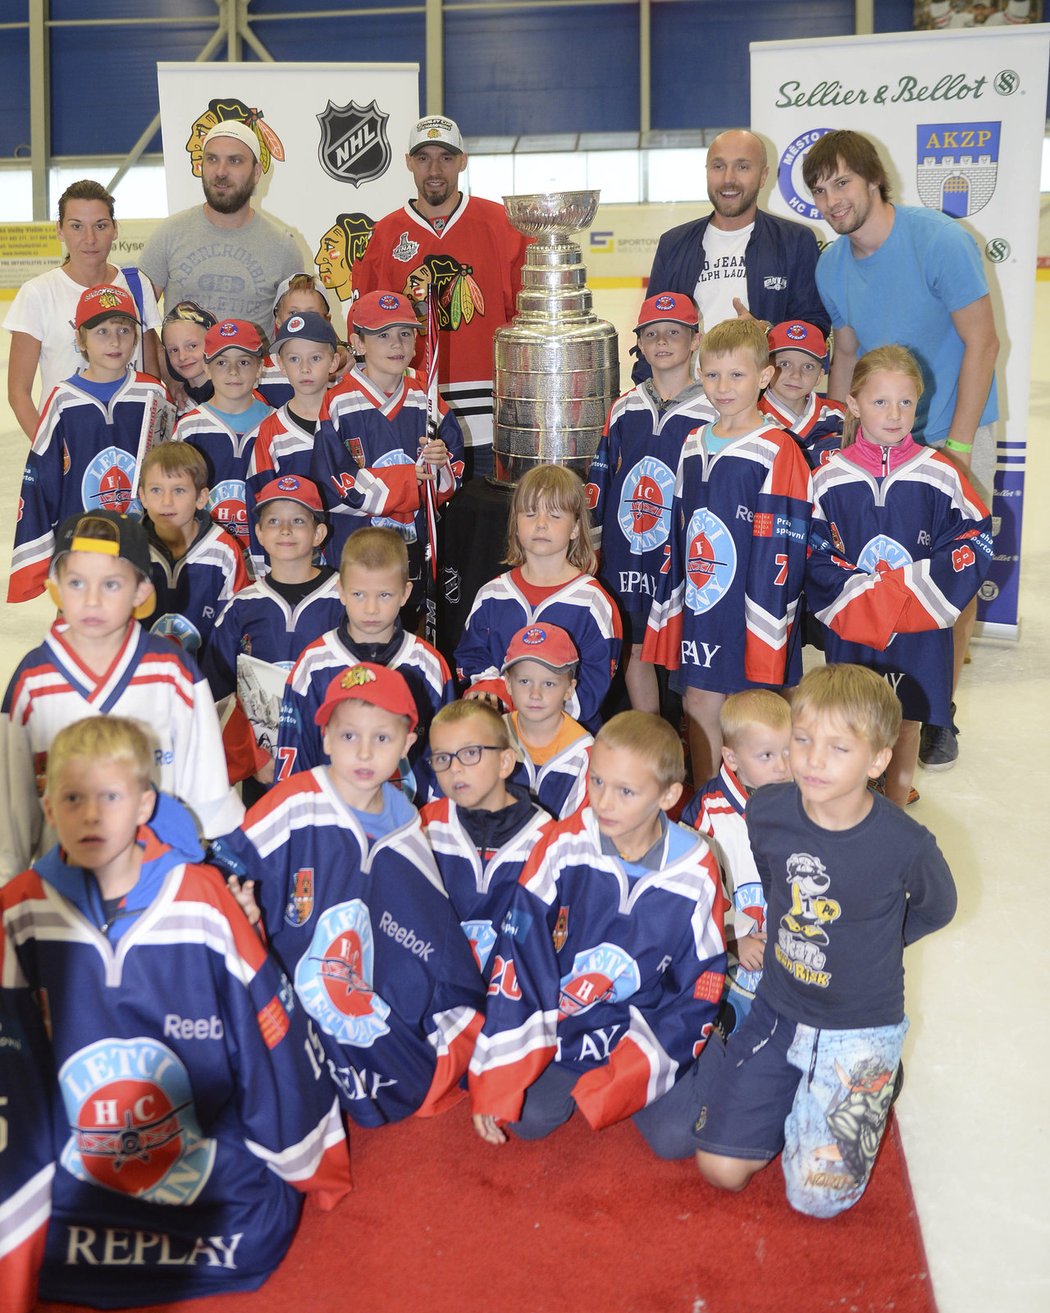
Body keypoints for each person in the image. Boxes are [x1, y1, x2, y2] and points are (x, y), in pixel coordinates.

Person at [0, 716, 351, 1309]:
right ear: (48, 804)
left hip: (193, 1145)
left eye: (109, 798)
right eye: (73, 798)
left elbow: (267, 1031)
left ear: (143, 804)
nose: (90, 816)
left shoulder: (200, 896)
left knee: (256, 1224)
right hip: (75, 1155)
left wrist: (312, 1161)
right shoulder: (20, 910)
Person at [692, 664, 957, 1218]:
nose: (812, 760)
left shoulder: (904, 843)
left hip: (859, 1027)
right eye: (803, 740)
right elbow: (771, 880)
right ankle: (797, 1089)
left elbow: (939, 906)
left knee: (816, 1199)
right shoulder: (766, 809)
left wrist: (883, 944)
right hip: (779, 1006)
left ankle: (874, 1076)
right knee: (720, 1171)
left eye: (839, 748)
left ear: (878, 760)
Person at [801, 129, 999, 770]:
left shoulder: (939, 241)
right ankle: (875, 696)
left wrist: (959, 446)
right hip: (874, 438)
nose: (832, 200)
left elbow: (982, 343)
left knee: (951, 579)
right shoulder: (832, 263)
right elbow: (849, 355)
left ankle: (940, 713)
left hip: (948, 430)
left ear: (873, 179)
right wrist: (837, 436)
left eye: (842, 183)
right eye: (820, 190)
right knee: (877, 570)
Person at [216, 664, 486, 1127]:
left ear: (407, 744)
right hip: (286, 980)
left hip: (357, 983)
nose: (364, 752)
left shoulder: (406, 825)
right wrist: (238, 907)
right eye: (348, 737)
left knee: (414, 1067)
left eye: (382, 738)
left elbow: (427, 931)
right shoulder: (296, 802)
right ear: (323, 738)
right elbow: (229, 869)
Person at [469, 711, 726, 1154]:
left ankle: (720, 1049)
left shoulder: (696, 869)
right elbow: (518, 953)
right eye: (598, 782)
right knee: (525, 1117)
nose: (604, 802)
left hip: (646, 1023)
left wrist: (632, 1070)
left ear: (668, 796)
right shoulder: (562, 844)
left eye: (626, 791)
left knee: (676, 1141)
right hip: (571, 1019)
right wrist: (498, 1072)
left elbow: (699, 984)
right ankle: (579, 1071)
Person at [0, 511, 244, 882]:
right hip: (66, 900)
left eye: (111, 584)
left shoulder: (173, 674)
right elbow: (11, 823)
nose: (93, 600)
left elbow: (208, 800)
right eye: (78, 583)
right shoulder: (33, 683)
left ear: (142, 591)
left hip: (162, 889)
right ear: (55, 587)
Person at [804, 346, 992, 807]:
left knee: (907, 719)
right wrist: (864, 598)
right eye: (880, 402)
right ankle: (853, 802)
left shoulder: (941, 474)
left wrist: (910, 595)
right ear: (853, 404)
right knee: (853, 716)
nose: (894, 414)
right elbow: (813, 547)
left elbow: (974, 537)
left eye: (906, 402)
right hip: (856, 625)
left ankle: (893, 808)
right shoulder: (827, 478)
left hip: (917, 623)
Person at [642, 319, 812, 787]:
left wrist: (766, 617)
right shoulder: (693, 442)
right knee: (698, 704)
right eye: (712, 375)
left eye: (737, 375)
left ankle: (764, 806)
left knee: (755, 713)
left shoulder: (778, 449)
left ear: (764, 376)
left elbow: (785, 544)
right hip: (701, 600)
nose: (722, 387)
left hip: (751, 606)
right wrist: (672, 599)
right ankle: (708, 800)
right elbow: (678, 527)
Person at [353, 115, 531, 480]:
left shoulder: (503, 225)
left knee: (486, 533)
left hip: (492, 418)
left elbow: (527, 321)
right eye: (423, 158)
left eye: (446, 158)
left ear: (463, 160)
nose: (434, 169)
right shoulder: (385, 236)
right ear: (408, 162)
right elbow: (365, 330)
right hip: (412, 415)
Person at [587, 292, 716, 714]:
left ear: (695, 340)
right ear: (639, 343)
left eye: (674, 333)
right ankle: (651, 736)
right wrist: (592, 540)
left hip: (685, 551)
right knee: (637, 644)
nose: (662, 341)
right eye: (652, 333)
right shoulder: (625, 407)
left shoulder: (715, 409)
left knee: (690, 646)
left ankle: (693, 744)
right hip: (630, 550)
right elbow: (602, 475)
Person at [8, 284, 174, 603]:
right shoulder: (62, 400)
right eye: (101, 331)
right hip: (83, 547)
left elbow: (171, 469)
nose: (114, 341)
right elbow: (41, 480)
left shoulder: (153, 393)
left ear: (136, 337)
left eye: (124, 330)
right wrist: (40, 559)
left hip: (145, 547)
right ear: (80, 340)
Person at [275, 527, 454, 802]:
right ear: (341, 591)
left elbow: (446, 755)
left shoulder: (428, 665)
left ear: (405, 593)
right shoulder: (313, 665)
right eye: (359, 594)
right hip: (332, 823)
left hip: (410, 823)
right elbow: (294, 756)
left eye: (384, 595)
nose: (371, 609)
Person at [635, 129, 827, 384]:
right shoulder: (674, 244)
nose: (729, 179)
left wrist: (766, 335)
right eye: (718, 166)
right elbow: (650, 329)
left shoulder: (795, 242)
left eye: (742, 167)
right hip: (686, 401)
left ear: (763, 176)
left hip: (763, 405)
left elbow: (815, 328)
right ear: (706, 172)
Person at [311, 290, 463, 592]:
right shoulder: (338, 403)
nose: (397, 344)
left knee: (409, 614)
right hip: (354, 544)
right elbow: (334, 479)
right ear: (357, 343)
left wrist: (438, 464)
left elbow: (453, 473)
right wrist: (409, 479)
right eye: (382, 335)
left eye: (405, 333)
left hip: (415, 546)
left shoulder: (428, 398)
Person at [455, 464, 622, 734]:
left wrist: (538, 722)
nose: (541, 523)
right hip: (502, 736)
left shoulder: (593, 603)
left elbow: (594, 686)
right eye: (530, 513)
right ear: (516, 525)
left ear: (576, 528)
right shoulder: (491, 595)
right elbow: (471, 656)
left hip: (568, 743)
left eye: (555, 515)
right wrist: (490, 687)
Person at [204, 474, 344, 793]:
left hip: (332, 764)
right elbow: (217, 694)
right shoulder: (242, 606)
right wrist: (252, 757)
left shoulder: (346, 598)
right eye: (273, 521)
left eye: (297, 520)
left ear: (319, 532)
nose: (284, 530)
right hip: (264, 766)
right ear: (259, 534)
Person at [4, 178, 161, 440]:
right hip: (70, 437)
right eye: (77, 226)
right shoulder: (38, 293)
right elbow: (18, 392)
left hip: (131, 434)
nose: (90, 239)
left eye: (100, 226)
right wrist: (51, 451)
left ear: (115, 229)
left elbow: (151, 374)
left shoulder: (135, 284)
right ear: (60, 230)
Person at [681, 689, 791, 1034]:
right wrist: (734, 939)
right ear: (731, 758)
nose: (783, 766)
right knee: (729, 1022)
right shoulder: (707, 815)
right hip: (733, 951)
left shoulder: (803, 799)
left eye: (789, 750)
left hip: (789, 947)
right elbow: (696, 891)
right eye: (767, 755)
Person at [419, 699, 550, 976]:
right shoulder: (425, 827)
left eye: (470, 753)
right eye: (442, 758)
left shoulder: (547, 839)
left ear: (504, 762)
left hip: (515, 996)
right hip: (440, 993)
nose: (454, 768)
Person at [139, 119, 301, 329]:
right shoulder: (168, 234)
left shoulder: (282, 247)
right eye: (212, 159)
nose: (221, 171)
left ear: (257, 172)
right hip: (178, 364)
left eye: (235, 161)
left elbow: (299, 330)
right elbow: (139, 320)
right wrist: (158, 360)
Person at [246, 309, 342, 573]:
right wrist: (264, 569)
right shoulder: (271, 430)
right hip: (297, 562)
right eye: (294, 359)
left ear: (333, 362)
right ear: (280, 364)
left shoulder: (353, 414)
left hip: (354, 550)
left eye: (316, 358)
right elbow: (258, 496)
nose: (305, 368)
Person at [139, 441, 249, 657]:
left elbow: (234, 629)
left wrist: (216, 687)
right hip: (141, 683)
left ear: (201, 498)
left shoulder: (223, 551)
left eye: (179, 490)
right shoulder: (128, 548)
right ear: (142, 496)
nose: (166, 501)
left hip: (205, 684)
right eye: (156, 490)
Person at [173, 318, 272, 555]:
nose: (233, 371)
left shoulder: (277, 424)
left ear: (260, 367)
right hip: (204, 556)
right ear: (206, 367)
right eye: (221, 362)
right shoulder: (190, 427)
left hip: (266, 558)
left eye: (244, 362)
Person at [501, 623, 593, 820]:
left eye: (549, 683)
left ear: (569, 689)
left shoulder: (583, 754)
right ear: (508, 683)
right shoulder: (492, 735)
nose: (535, 694)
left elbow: (577, 832)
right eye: (524, 681)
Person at [759, 320, 844, 468]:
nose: (796, 375)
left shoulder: (843, 416)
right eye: (785, 364)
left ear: (819, 376)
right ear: (767, 368)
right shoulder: (750, 417)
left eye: (808, 366)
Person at [257, 272, 346, 410]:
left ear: (327, 320)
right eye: (293, 313)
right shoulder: (260, 372)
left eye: (311, 313)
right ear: (278, 321)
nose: (302, 321)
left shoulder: (340, 370)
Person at [160, 299, 215, 414]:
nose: (182, 357)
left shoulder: (240, 393)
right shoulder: (174, 408)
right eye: (174, 350)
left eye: (192, 346)